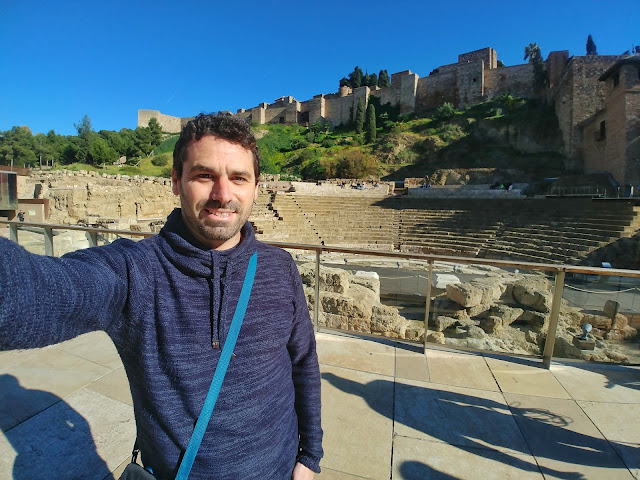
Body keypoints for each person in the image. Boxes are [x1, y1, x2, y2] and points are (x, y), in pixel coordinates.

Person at [0, 114, 323, 479]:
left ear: (256, 187)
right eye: (204, 175)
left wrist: (309, 457)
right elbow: (40, 290)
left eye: (238, 177)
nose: (223, 194)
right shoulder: (133, 270)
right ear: (175, 181)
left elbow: (304, 365)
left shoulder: (279, 267)